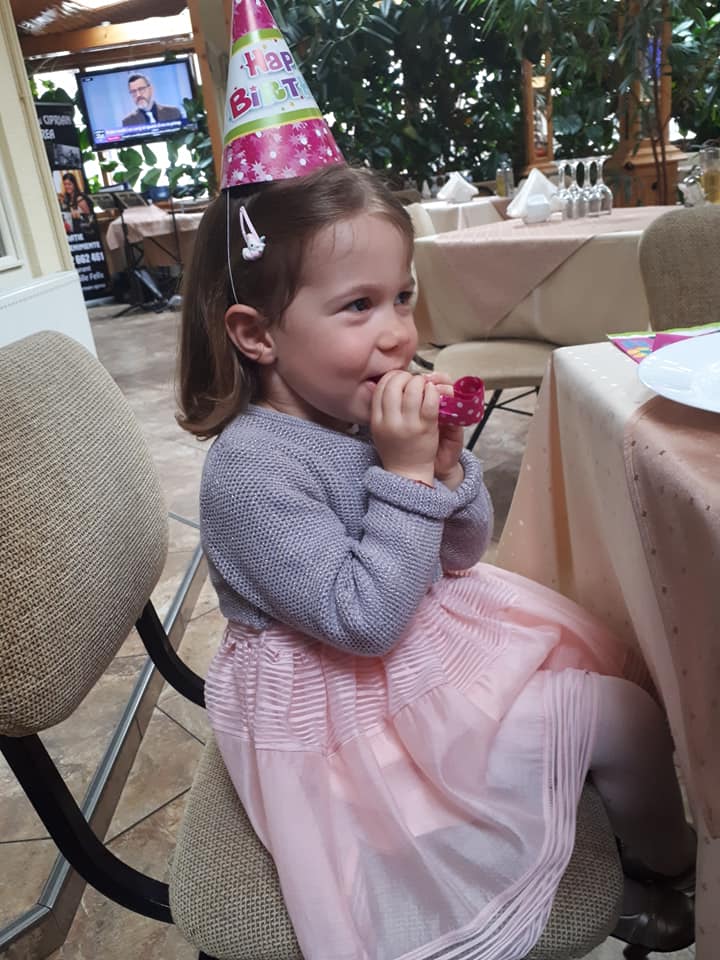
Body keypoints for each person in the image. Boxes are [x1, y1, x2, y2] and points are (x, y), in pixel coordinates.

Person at [177, 164, 696, 960]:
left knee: (609, 688)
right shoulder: (251, 473)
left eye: (402, 297)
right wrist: (408, 478)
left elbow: (458, 554)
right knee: (621, 722)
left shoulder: (349, 409)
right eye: (359, 305)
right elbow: (362, 622)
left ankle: (634, 848)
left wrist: (446, 473)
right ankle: (668, 868)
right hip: (343, 706)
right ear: (257, 335)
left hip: (415, 647)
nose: (398, 333)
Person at [59, 172, 94, 237]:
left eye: (69, 184)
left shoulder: (79, 198)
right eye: (65, 184)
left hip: (84, 231)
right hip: (74, 230)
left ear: (74, 184)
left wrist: (78, 216)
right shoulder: (67, 199)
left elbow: (90, 217)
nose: (67, 186)